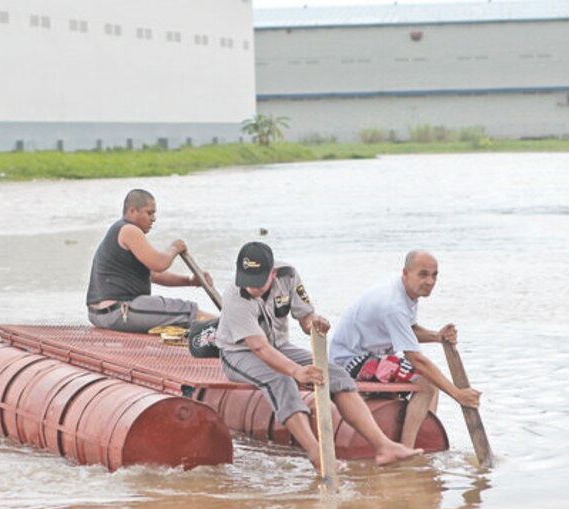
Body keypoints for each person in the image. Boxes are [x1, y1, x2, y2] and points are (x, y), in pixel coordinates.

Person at [216, 241, 423, 472]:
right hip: (239, 353)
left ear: (272, 273)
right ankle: (318, 455)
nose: (252, 289)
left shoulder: (289, 275)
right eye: (247, 282)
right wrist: (296, 371)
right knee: (281, 380)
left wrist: (313, 322)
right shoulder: (235, 296)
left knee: (337, 375)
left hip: (280, 346)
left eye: (258, 283)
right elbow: (259, 348)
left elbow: (305, 317)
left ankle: (384, 446)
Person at [329, 249, 482, 448]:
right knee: (428, 381)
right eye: (423, 274)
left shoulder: (406, 291)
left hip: (374, 355)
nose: (430, 281)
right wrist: (458, 394)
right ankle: (407, 448)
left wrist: (438, 336)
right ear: (406, 272)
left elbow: (408, 330)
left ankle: (424, 435)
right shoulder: (393, 304)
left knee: (432, 379)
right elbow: (415, 359)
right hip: (350, 360)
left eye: (434, 275)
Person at [85, 189, 214, 332]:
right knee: (190, 312)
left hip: (101, 313)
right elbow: (159, 264)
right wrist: (174, 248)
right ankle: (233, 331)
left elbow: (154, 275)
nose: (154, 219)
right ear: (132, 211)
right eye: (149, 213)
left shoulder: (122, 231)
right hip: (118, 311)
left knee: (183, 315)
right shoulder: (129, 230)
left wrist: (190, 281)